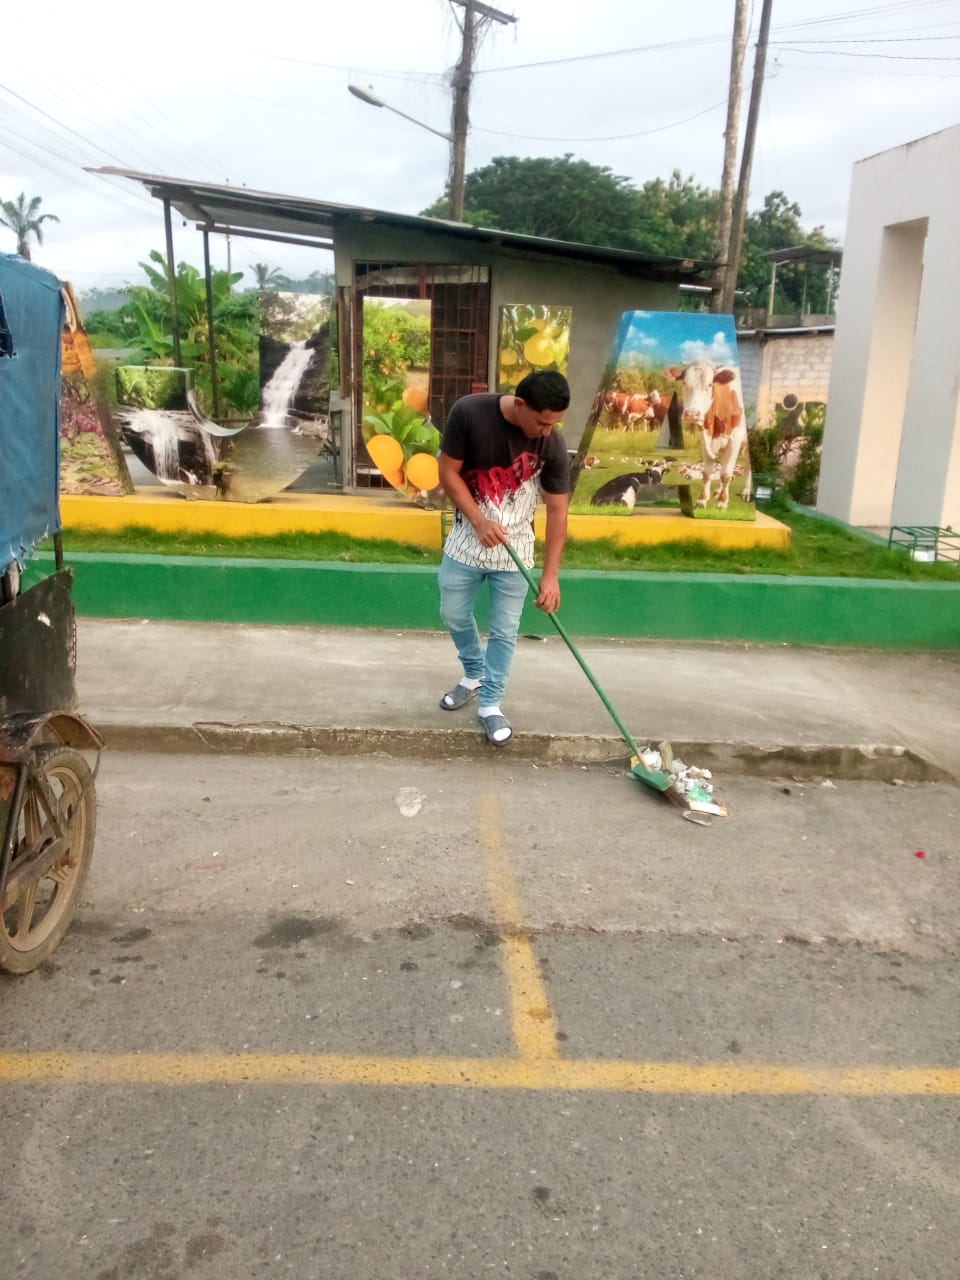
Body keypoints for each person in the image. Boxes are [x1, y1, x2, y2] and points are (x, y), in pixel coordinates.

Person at [437, 370, 571, 747]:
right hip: (466, 541)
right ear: (520, 404)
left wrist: (550, 576)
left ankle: (490, 703)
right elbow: (447, 473)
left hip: (516, 553)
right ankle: (474, 673)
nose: (547, 431)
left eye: (555, 424)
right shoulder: (469, 413)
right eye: (542, 422)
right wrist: (479, 521)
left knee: (504, 631)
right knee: (452, 613)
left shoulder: (552, 444)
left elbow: (558, 512)